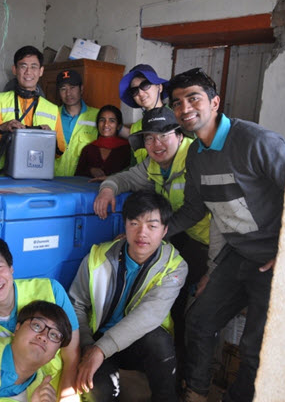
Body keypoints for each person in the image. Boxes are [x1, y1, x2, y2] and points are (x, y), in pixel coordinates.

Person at [166, 68, 285, 402]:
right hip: (237, 255)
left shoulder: (257, 141)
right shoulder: (194, 154)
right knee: (200, 321)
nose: (185, 108)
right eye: (177, 103)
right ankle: (198, 393)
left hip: (275, 261)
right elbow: (194, 209)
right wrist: (156, 231)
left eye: (193, 98)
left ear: (215, 102)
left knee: (255, 350)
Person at [93, 106, 212, 375]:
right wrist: (107, 189)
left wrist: (151, 234)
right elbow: (124, 178)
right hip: (180, 237)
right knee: (175, 305)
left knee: (196, 316)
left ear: (180, 135)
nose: (156, 144)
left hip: (211, 243)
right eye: (149, 138)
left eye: (163, 135)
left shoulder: (196, 158)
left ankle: (189, 380)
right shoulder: (152, 164)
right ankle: (166, 368)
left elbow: (196, 210)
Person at [70, 190, 187, 402]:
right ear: (125, 225)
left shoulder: (175, 266)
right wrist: (88, 346)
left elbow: (149, 316)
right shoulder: (97, 257)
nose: (142, 233)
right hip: (97, 341)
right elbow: (76, 305)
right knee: (98, 393)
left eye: (152, 226)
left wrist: (99, 350)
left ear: (164, 230)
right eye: (134, 223)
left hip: (139, 345)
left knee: (159, 342)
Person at [0, 235, 80, 401]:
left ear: (11, 268)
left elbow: (72, 355)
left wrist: (66, 397)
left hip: (58, 386)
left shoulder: (50, 290)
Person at [0, 46, 65, 155]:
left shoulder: (52, 108)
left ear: (41, 71)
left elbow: (60, 151)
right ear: (15, 69)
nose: (28, 72)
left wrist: (50, 138)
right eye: (23, 66)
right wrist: (3, 128)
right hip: (6, 170)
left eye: (34, 67)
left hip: (38, 169)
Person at [118, 64, 169, 162]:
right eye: (134, 90)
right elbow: (134, 165)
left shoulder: (177, 119)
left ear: (159, 87)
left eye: (145, 85)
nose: (140, 93)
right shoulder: (136, 128)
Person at [53, 69, 98, 176]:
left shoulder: (97, 116)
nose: (68, 93)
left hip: (82, 182)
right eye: (63, 89)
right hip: (52, 181)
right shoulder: (52, 114)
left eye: (72, 88)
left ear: (81, 89)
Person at [74, 105, 131, 179]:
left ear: (118, 126)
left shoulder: (127, 149)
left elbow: (131, 175)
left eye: (112, 121)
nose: (106, 124)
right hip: (88, 190)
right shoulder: (88, 149)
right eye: (102, 120)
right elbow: (77, 176)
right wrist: (90, 170)